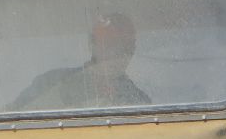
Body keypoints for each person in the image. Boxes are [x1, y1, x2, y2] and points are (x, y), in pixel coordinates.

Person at [12, 13, 150, 111]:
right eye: (110, 45)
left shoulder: (139, 100)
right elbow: (15, 117)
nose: (119, 54)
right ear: (92, 46)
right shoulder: (50, 83)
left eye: (127, 47)